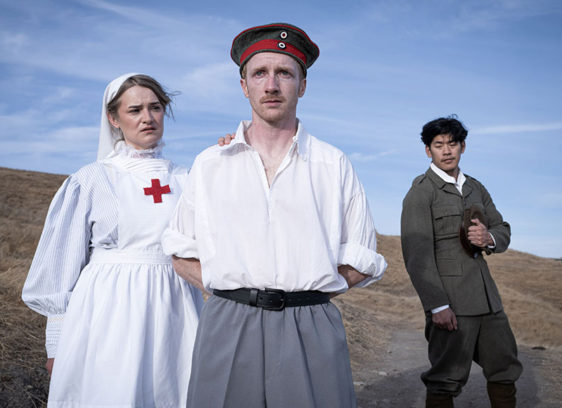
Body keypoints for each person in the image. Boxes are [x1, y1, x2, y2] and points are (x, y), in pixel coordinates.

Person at [162, 23, 387, 407]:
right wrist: (226, 287)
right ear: (243, 85)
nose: (271, 85)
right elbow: (180, 248)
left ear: (302, 86)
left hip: (310, 323)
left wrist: (312, 292)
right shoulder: (211, 163)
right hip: (228, 321)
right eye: (259, 73)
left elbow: (364, 256)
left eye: (284, 73)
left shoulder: (332, 164)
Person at [22, 73, 204, 407]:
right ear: (113, 118)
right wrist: (56, 345)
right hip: (109, 313)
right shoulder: (91, 180)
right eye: (134, 110)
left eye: (155, 107)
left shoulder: (189, 179)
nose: (147, 118)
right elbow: (61, 270)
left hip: (177, 313)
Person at [400, 116, 523, 408]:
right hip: (452, 304)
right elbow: (417, 255)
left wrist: (488, 238)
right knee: (446, 378)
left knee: (505, 370)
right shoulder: (421, 192)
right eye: (438, 145)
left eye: (452, 144)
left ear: (462, 146)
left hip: (489, 301)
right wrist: (437, 305)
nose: (446, 151)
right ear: (428, 151)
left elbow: (502, 229)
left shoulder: (476, 187)